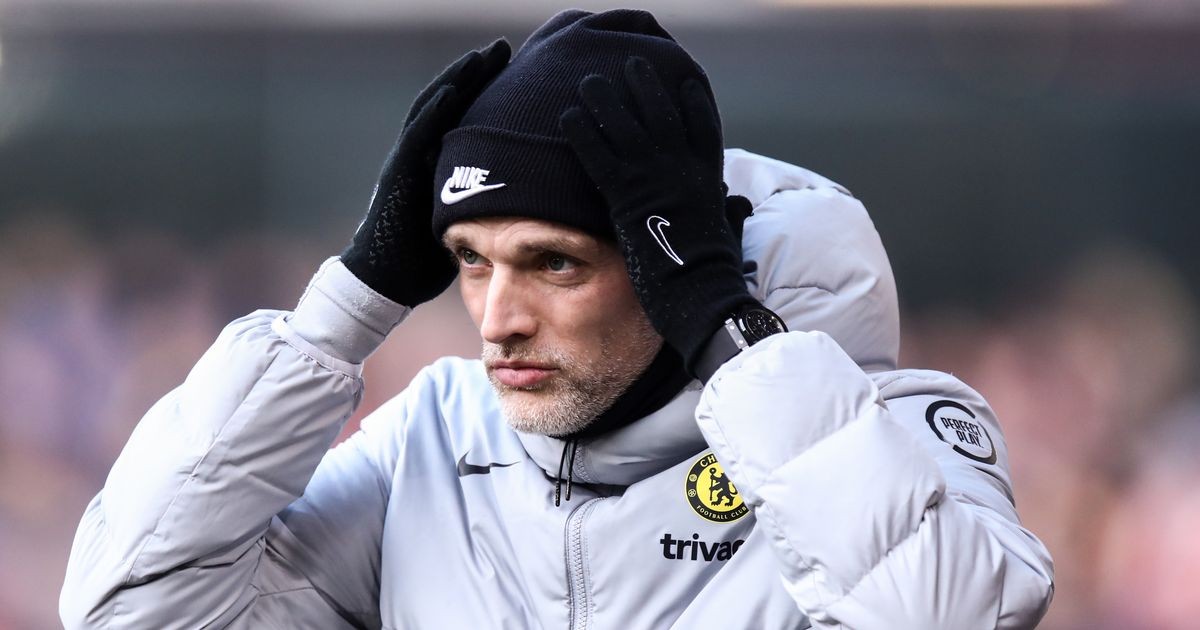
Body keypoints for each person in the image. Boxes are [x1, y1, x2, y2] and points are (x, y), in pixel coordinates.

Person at [60, 9, 1053, 629]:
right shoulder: (434, 439)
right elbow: (129, 609)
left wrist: (722, 325)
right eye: (469, 261)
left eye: (553, 263)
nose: (497, 319)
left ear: (670, 264)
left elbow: (955, 616)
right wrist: (348, 302)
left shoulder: (892, 426)